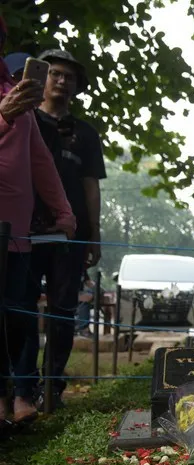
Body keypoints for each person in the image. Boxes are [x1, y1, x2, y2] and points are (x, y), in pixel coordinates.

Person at [0, 17, 76, 425]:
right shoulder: (11, 105)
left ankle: (17, 396)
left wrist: (64, 211)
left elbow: (40, 162)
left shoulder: (19, 98)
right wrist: (3, 117)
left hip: (15, 235)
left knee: (16, 317)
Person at [20, 49, 105, 408]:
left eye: (68, 76)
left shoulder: (85, 133)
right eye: (54, 73)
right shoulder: (23, 121)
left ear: (76, 85)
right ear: (42, 77)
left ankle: (53, 385)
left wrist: (94, 233)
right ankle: (22, 386)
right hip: (24, 228)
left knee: (63, 310)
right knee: (21, 307)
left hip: (72, 234)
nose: (61, 80)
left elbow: (91, 186)